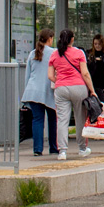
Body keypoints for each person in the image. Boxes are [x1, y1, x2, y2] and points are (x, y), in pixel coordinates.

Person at [49, 29, 94, 159]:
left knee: (62, 120)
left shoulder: (54, 54)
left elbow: (50, 75)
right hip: (79, 87)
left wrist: (61, 81)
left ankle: (62, 151)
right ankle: (82, 148)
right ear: (72, 39)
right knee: (80, 118)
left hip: (61, 88)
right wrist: (92, 90)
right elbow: (85, 73)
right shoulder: (79, 53)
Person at [20, 28, 58, 156]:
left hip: (33, 91)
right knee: (53, 119)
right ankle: (53, 147)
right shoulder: (54, 52)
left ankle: (37, 149)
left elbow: (28, 75)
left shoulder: (32, 53)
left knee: (37, 120)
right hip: (49, 91)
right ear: (50, 38)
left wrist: (27, 92)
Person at [86, 35, 104, 99]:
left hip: (103, 85)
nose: (97, 46)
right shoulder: (89, 54)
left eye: (99, 44)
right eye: (95, 44)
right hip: (91, 83)